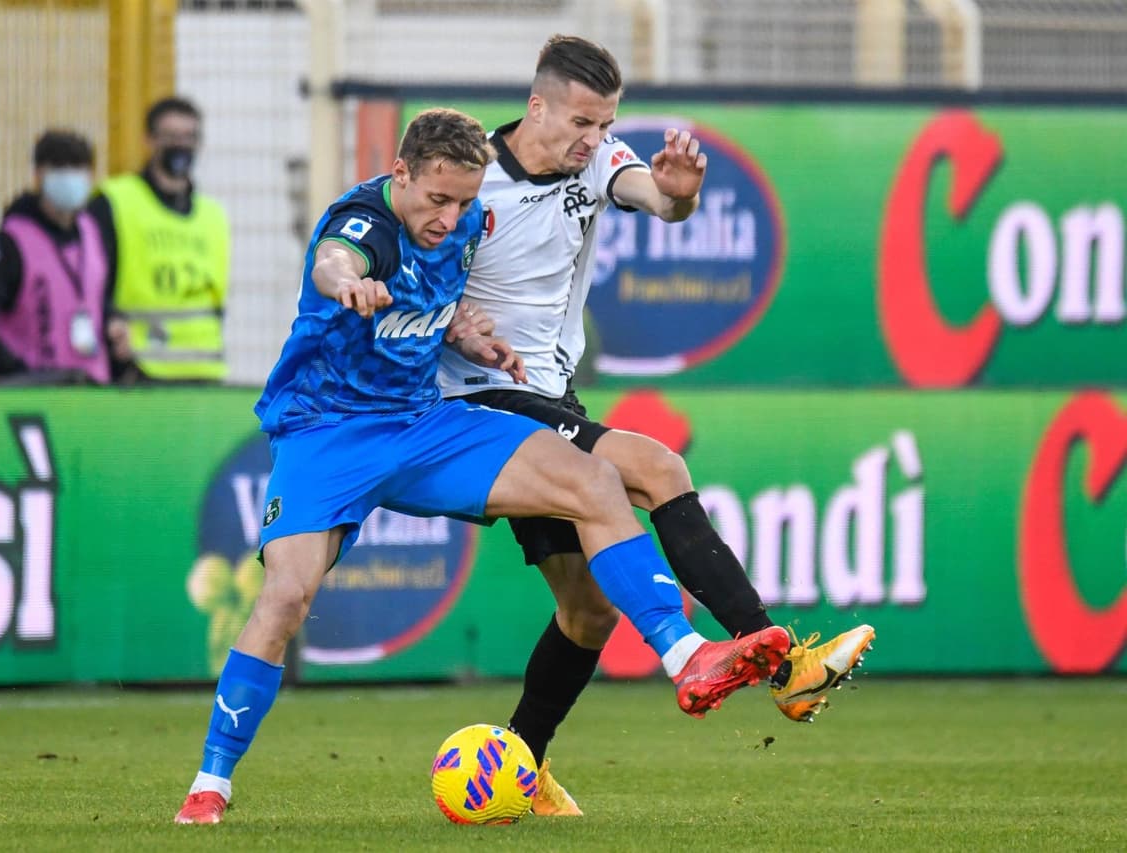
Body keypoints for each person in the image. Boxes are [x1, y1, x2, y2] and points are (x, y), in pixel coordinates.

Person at [172, 108, 790, 825]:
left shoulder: (463, 221)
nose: (450, 217)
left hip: (421, 423)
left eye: (464, 200)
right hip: (326, 433)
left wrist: (465, 333)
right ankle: (211, 781)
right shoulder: (365, 225)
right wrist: (347, 283)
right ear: (401, 173)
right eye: (437, 198)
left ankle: (685, 655)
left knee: (592, 477)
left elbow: (435, 301)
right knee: (284, 598)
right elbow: (334, 259)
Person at [436, 35, 876, 816]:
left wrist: (680, 195)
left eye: (606, 123)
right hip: (480, 401)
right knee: (657, 466)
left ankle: (522, 764)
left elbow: (657, 197)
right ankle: (788, 670)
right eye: (581, 121)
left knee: (588, 610)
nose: (594, 138)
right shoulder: (472, 183)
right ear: (535, 107)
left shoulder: (598, 162)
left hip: (550, 398)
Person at [88, 96, 230, 383]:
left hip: (204, 373)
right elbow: (92, 282)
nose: (181, 145)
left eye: (189, 137)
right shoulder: (115, 202)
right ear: (149, 140)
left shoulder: (213, 216)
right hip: (138, 372)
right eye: (171, 136)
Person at [0, 129, 110, 385]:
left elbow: (99, 299)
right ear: (38, 174)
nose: (70, 177)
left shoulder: (92, 231)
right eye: (60, 168)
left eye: (78, 168)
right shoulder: (11, 242)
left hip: (92, 386)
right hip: (35, 388)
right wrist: (14, 371)